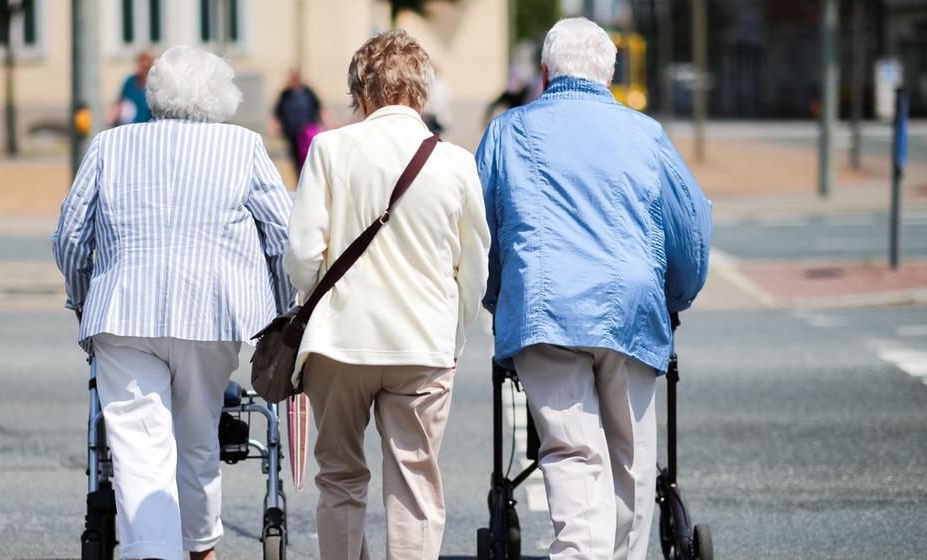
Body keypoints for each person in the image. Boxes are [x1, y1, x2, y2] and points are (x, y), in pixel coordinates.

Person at [475, 18, 712, 560]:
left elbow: (479, 228)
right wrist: (675, 295)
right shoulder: (645, 132)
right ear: (610, 72)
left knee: (571, 451)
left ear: (544, 72)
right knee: (631, 454)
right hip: (631, 306)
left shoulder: (507, 131)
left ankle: (581, 553)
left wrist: (498, 297)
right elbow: (690, 229)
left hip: (543, 305)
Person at [53, 45, 294, 560]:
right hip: (214, 312)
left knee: (141, 453)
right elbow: (283, 236)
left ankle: (154, 553)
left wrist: (82, 298)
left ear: (153, 94)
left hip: (123, 312)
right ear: (220, 96)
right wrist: (279, 314)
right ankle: (201, 550)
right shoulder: (244, 147)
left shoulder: (109, 146)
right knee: (199, 437)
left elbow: (71, 237)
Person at [285, 30, 490, 560]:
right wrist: (454, 336)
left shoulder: (328, 149)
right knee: (415, 486)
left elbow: (303, 257)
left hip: (340, 342)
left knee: (340, 479)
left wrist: (318, 300)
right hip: (422, 342)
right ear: (421, 91)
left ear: (361, 90)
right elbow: (475, 268)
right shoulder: (456, 162)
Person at [271, 69, 323, 172]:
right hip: (292, 134)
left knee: (308, 158)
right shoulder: (285, 94)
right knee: (296, 160)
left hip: (307, 134)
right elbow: (277, 112)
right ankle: (300, 180)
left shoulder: (307, 92)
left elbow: (320, 108)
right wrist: (275, 128)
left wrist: (327, 124)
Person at [112, 51, 155, 125]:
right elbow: (120, 102)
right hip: (129, 126)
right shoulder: (129, 82)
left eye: (147, 68)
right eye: (142, 67)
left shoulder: (155, 85)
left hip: (148, 127)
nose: (144, 71)